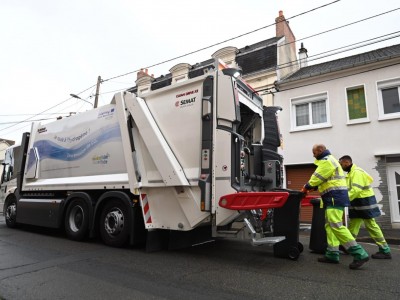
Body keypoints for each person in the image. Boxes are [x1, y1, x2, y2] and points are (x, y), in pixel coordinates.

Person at [302, 144, 369, 269]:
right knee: (330, 226)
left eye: (314, 152)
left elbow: (317, 178)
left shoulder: (327, 161)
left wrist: (306, 187)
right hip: (332, 198)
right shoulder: (330, 161)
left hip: (334, 197)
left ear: (320, 150)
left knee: (336, 225)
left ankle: (359, 253)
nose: (313, 155)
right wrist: (312, 188)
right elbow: (325, 180)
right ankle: (332, 253)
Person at [339, 155, 391, 259]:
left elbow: (356, 190)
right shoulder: (351, 173)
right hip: (358, 201)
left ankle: (385, 250)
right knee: (354, 225)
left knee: (371, 225)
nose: (340, 167)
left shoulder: (357, 172)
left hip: (364, 201)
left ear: (346, 163)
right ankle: (349, 246)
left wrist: (342, 200)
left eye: (341, 164)